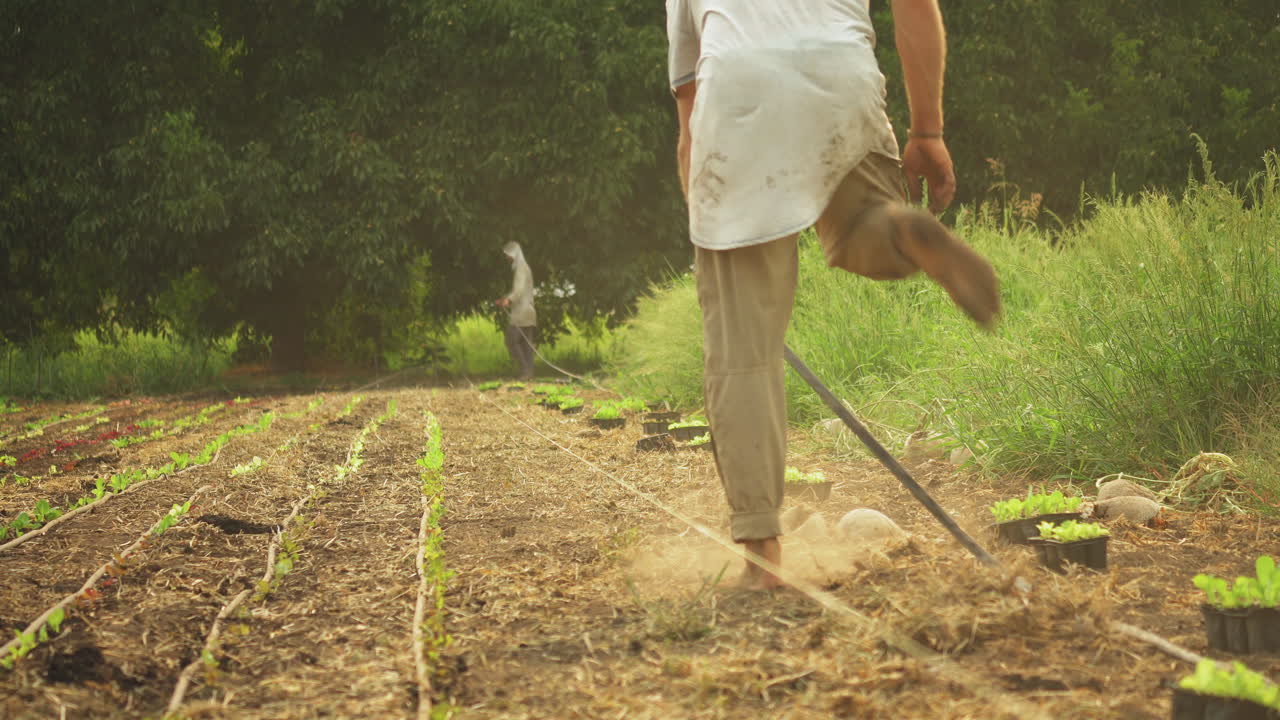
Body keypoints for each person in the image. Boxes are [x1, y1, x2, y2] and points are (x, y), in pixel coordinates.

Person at [666, 0, 1000, 590]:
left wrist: (704, 198)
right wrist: (927, 131)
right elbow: (916, 8)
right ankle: (899, 232)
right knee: (859, 229)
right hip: (840, 75)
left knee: (743, 351)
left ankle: (763, 557)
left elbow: (689, 97)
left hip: (739, 94)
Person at [496, 241, 537, 380]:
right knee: (526, 344)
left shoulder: (520, 268)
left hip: (522, 312)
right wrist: (505, 298)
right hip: (529, 311)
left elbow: (518, 291)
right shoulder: (525, 268)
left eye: (508, 255)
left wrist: (508, 300)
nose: (507, 258)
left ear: (514, 254)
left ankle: (525, 371)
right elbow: (520, 290)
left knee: (511, 340)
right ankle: (529, 373)